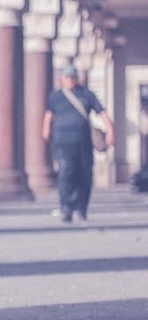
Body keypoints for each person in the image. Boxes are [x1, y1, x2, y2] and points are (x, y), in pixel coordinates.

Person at [42, 65, 114, 223]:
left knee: (84, 174)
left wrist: (110, 132)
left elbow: (102, 112)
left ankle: (81, 208)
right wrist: (46, 132)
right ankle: (66, 206)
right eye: (67, 78)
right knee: (66, 172)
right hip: (63, 142)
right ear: (62, 79)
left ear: (76, 78)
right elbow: (48, 115)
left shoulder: (86, 94)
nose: (70, 80)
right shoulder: (56, 97)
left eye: (72, 77)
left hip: (83, 143)